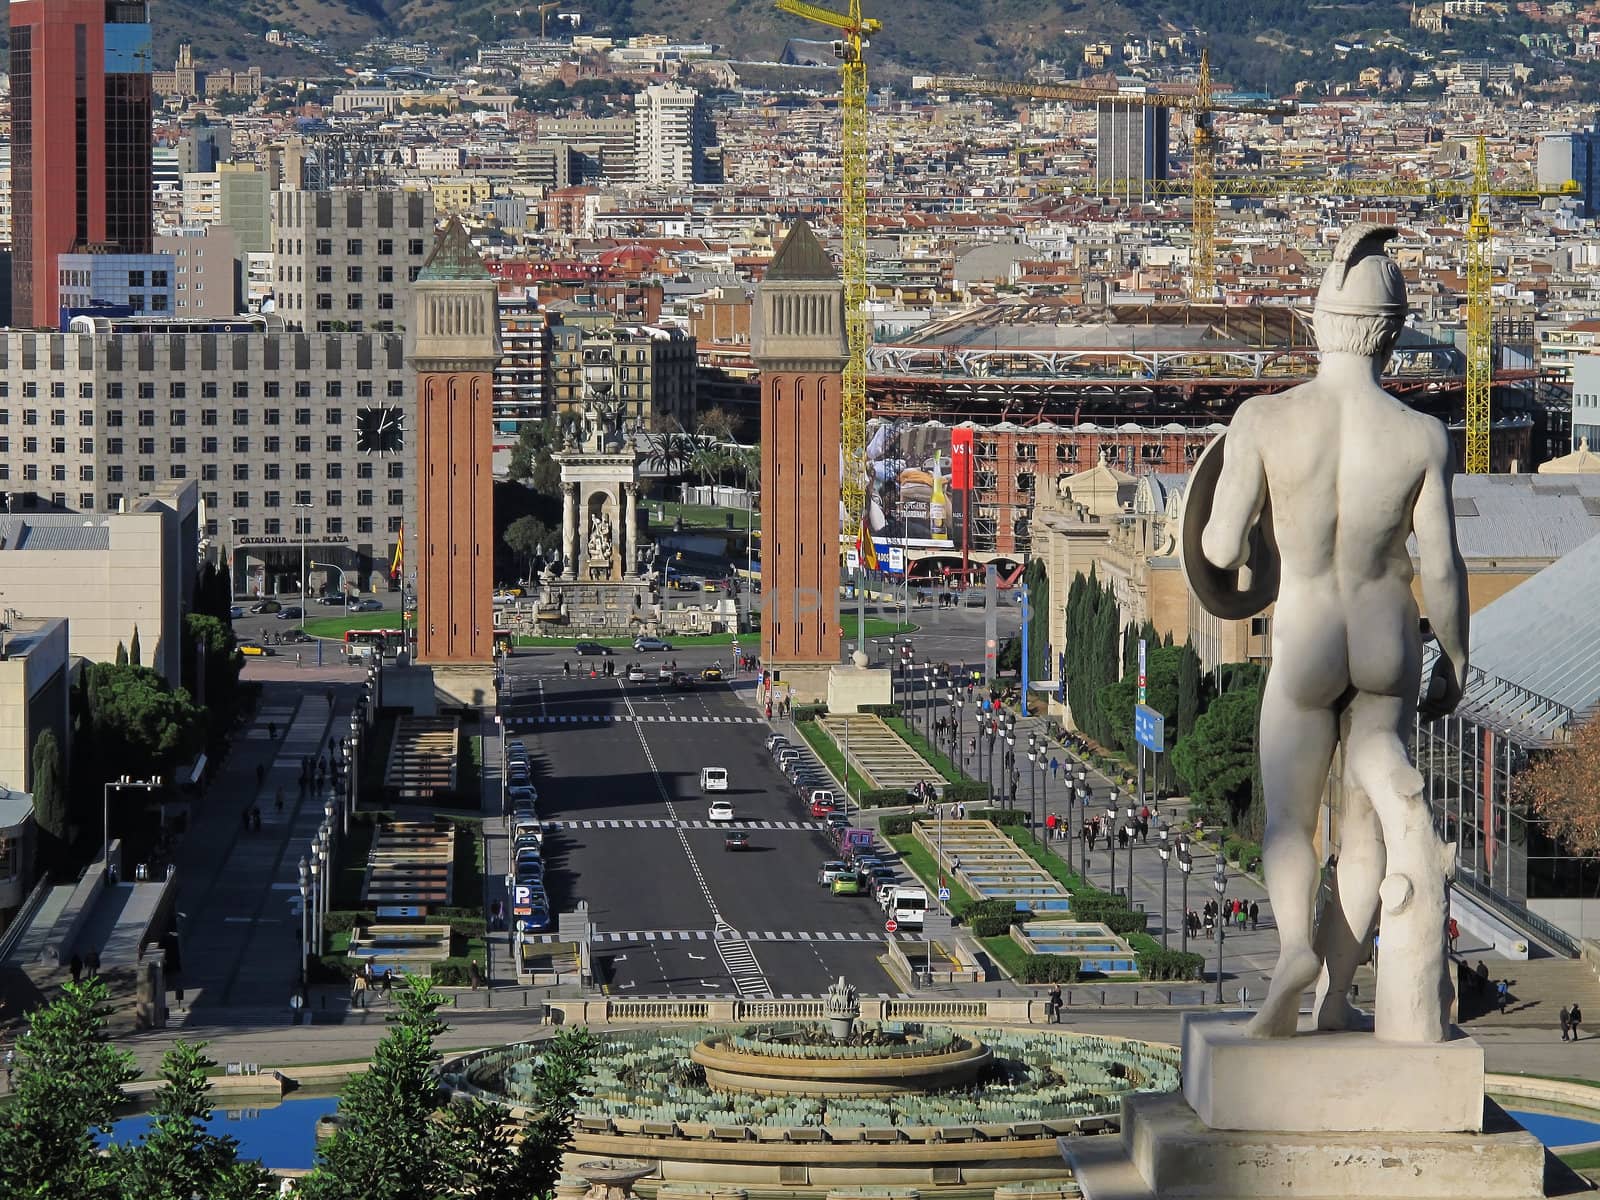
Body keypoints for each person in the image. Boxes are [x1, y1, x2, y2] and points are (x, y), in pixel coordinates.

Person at [1191, 223, 1470, 1041]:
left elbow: (1217, 548)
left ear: (1317, 321)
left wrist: (1242, 557)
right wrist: (1453, 659)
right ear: (1391, 333)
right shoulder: (1422, 436)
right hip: (1387, 635)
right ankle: (1340, 994)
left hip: (1307, 633)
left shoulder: (1264, 420)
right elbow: (1444, 569)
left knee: (1287, 818)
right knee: (1363, 828)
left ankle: (1291, 951)